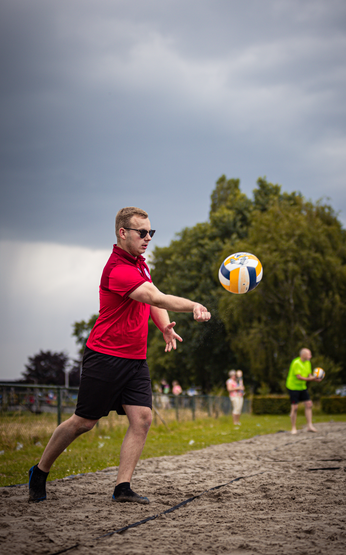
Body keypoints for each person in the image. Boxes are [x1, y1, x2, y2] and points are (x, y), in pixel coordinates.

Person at [28, 206, 211, 504]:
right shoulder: (118, 270)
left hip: (135, 359)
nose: (148, 237)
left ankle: (122, 487)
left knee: (142, 419)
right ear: (122, 233)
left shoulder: (140, 263)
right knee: (83, 423)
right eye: (142, 232)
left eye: (151, 232)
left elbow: (152, 297)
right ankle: (40, 470)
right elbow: (154, 296)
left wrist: (164, 326)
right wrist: (192, 305)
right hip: (105, 356)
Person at [286, 348, 321, 435]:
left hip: (302, 387)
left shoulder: (308, 363)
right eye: (309, 354)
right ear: (303, 355)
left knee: (309, 404)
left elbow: (309, 375)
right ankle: (293, 428)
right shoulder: (296, 363)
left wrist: (315, 378)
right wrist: (312, 379)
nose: (311, 356)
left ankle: (309, 426)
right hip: (293, 387)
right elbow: (299, 377)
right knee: (295, 407)